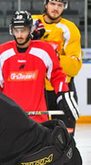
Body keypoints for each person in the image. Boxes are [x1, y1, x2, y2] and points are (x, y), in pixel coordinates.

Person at [0, 10, 78, 165]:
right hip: (10, 120)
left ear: (31, 30)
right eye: (17, 30)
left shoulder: (44, 50)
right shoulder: (2, 52)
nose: (20, 34)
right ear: (12, 30)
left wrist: (63, 93)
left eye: (24, 30)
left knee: (40, 162)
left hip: (37, 120)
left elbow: (57, 75)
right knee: (11, 163)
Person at [32, 0, 81, 135]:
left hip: (62, 89)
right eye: (53, 4)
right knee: (37, 137)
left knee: (65, 136)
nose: (56, 8)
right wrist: (33, 40)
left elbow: (74, 67)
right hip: (37, 89)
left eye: (60, 5)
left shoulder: (70, 29)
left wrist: (50, 56)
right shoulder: (32, 22)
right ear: (46, 4)